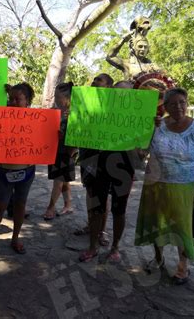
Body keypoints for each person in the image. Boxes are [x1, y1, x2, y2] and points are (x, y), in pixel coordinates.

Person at [135, 88, 194, 285]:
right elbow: (142, 153)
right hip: (155, 184)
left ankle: (183, 266)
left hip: (183, 186)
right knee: (156, 224)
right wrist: (145, 134)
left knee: (182, 227)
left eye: (182, 102)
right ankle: (159, 258)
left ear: (187, 103)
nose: (178, 107)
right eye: (173, 103)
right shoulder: (156, 126)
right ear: (165, 106)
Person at [78, 78, 138, 263]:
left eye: (125, 93)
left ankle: (115, 247)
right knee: (97, 208)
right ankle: (92, 246)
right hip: (99, 164)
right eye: (116, 92)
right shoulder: (99, 112)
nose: (120, 96)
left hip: (123, 167)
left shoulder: (138, 116)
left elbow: (143, 146)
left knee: (119, 210)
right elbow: (81, 131)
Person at [0, 82, 36, 254]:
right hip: (4, 169)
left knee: (20, 204)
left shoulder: (37, 119)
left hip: (26, 170)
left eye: (17, 99)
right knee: (0, 204)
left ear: (27, 101)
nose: (12, 102)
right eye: (10, 98)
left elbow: (43, 138)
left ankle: (16, 238)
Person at [75, 73, 114, 246]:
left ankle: (102, 230)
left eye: (100, 82)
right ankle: (91, 226)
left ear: (109, 88)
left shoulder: (115, 108)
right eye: (94, 81)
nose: (95, 83)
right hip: (88, 156)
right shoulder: (85, 105)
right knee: (90, 192)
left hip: (107, 158)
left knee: (103, 196)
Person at [43, 82, 77, 220]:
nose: (56, 99)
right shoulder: (55, 112)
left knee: (58, 180)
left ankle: (50, 208)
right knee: (64, 179)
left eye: (58, 96)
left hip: (66, 152)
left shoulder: (73, 114)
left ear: (68, 98)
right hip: (54, 151)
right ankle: (68, 204)